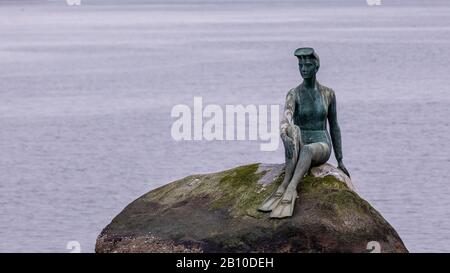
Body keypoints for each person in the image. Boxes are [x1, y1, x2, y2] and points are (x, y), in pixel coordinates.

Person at [259, 47, 350, 218]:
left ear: (316, 67)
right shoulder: (294, 94)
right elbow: (287, 114)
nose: (304, 69)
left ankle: (290, 187)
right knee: (292, 130)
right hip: (300, 141)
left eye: (307, 65)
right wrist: (284, 131)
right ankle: (284, 185)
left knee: (308, 150)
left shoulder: (328, 94)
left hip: (320, 144)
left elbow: (334, 126)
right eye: (301, 65)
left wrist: (340, 159)